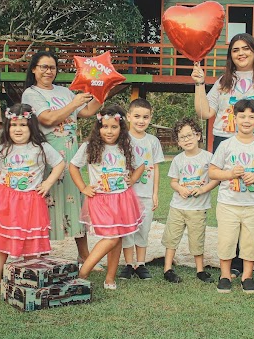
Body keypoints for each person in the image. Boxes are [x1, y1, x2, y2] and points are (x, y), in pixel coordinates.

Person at [191, 32, 254, 284]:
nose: (241, 53)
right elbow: (205, 112)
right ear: (230, 55)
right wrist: (199, 84)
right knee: (231, 204)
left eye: (246, 48)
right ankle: (234, 264)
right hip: (227, 141)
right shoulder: (224, 81)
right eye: (235, 50)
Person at [21, 51, 102, 266]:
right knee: (44, 202)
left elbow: (88, 111)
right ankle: (38, 253)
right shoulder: (31, 94)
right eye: (44, 67)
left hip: (71, 156)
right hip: (48, 157)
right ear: (34, 70)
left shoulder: (65, 92)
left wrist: (102, 90)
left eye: (52, 67)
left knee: (75, 200)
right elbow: (47, 119)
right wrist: (74, 104)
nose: (48, 71)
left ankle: (84, 255)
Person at [0, 103, 66, 291]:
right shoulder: (3, 147)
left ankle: (30, 276)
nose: (18, 129)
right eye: (14, 125)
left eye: (23, 125)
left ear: (31, 126)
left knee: (31, 241)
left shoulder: (40, 147)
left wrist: (47, 183)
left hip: (31, 202)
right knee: (2, 239)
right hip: (6, 200)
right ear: (7, 127)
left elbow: (60, 164)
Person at [69, 104, 145, 290]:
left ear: (121, 128)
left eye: (114, 127)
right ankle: (83, 272)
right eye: (105, 126)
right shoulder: (90, 146)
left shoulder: (127, 146)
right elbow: (73, 166)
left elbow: (141, 165)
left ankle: (110, 278)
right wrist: (83, 187)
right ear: (98, 127)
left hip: (122, 199)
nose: (109, 131)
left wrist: (132, 179)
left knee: (117, 237)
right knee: (111, 237)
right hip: (101, 199)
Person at [209, 99, 254, 294]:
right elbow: (213, 172)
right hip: (228, 203)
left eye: (251, 116)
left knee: (250, 240)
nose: (246, 120)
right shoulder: (226, 145)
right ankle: (224, 275)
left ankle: (247, 276)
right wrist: (230, 174)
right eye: (242, 116)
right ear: (235, 118)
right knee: (227, 239)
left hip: (253, 205)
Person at [162, 119, 219, 284]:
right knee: (171, 237)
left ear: (198, 136)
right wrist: (180, 188)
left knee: (197, 238)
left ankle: (200, 270)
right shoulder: (178, 160)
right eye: (182, 137)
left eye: (189, 135)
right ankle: (167, 269)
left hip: (198, 208)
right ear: (178, 142)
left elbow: (215, 179)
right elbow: (173, 181)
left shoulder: (209, 158)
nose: (186, 140)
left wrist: (202, 190)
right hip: (178, 207)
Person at [118, 98, 164, 280]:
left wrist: (155, 193)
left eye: (145, 117)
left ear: (150, 118)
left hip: (146, 194)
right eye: (136, 116)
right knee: (128, 229)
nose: (141, 120)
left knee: (143, 228)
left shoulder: (152, 141)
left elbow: (157, 168)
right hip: (126, 194)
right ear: (128, 116)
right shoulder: (122, 139)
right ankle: (129, 264)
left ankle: (141, 264)